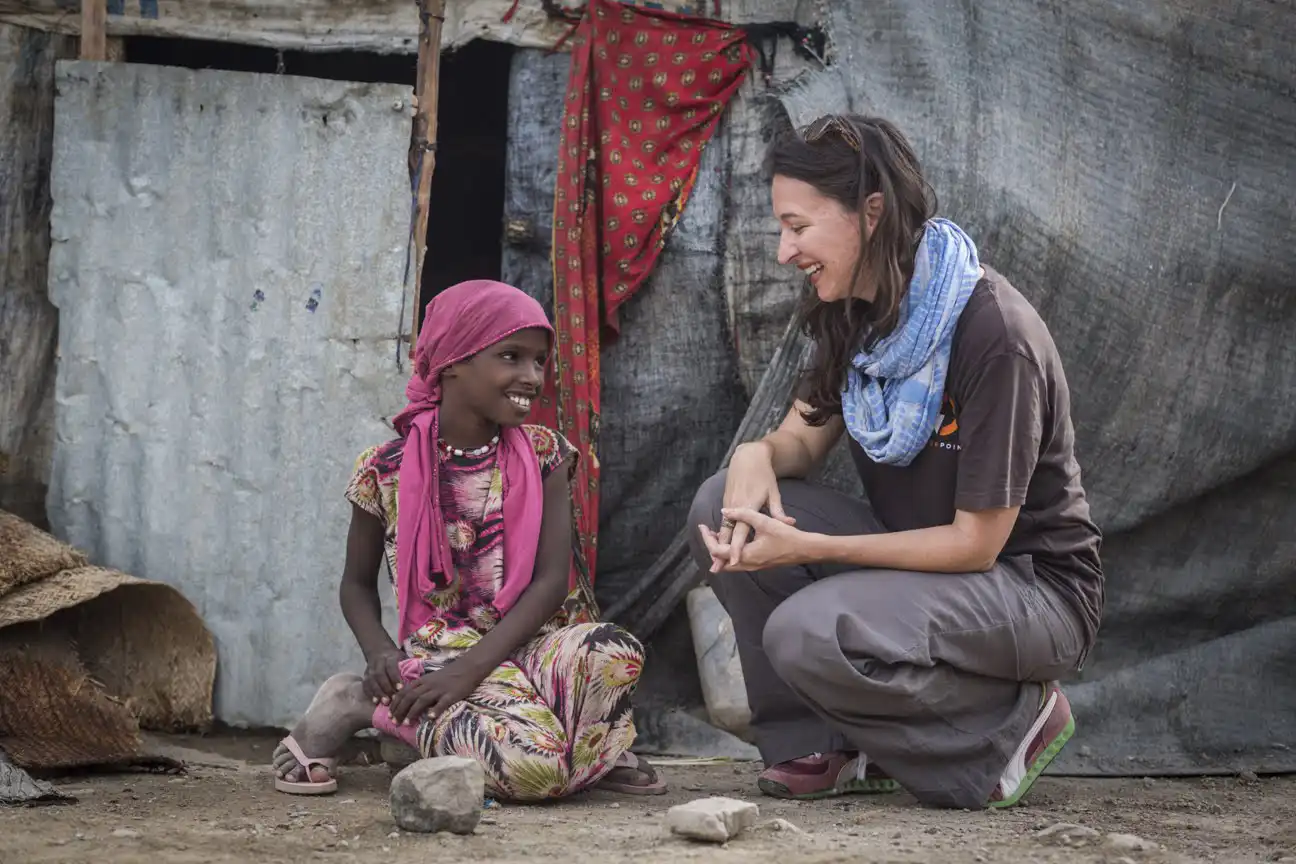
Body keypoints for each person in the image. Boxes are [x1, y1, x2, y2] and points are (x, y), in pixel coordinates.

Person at [688, 115, 1103, 810]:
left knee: (806, 631)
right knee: (721, 503)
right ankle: (822, 745)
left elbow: (976, 544)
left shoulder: (992, 334)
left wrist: (812, 545)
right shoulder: (859, 307)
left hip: (1030, 590)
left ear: (870, 213)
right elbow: (804, 435)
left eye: (799, 227)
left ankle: (1001, 727)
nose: (786, 251)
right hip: (920, 571)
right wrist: (758, 454)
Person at [272, 279, 665, 801]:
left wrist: (472, 671)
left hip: (532, 647)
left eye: (540, 361)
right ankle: (357, 703)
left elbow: (550, 584)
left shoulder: (547, 453)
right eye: (511, 356)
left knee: (615, 649)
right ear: (453, 361)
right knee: (538, 774)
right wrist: (380, 654)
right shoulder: (383, 469)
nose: (532, 376)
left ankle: (535, 746)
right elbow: (355, 586)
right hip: (439, 656)